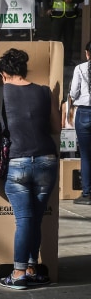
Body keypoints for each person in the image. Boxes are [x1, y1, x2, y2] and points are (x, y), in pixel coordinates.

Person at [0, 48, 60, 290]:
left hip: (17, 162)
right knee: (36, 220)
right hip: (46, 161)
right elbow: (56, 128)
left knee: (24, 220)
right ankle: (32, 268)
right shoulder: (44, 91)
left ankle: (18, 273)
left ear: (4, 73)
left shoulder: (0, 92)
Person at [43, 0, 84, 65]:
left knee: (69, 40)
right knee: (55, 39)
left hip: (70, 17)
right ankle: (54, 60)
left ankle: (67, 61)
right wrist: (47, 9)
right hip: (57, 17)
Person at [69, 41, 91, 205]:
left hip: (84, 112)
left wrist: (75, 99)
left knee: (85, 155)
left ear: (87, 53)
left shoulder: (80, 69)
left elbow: (74, 91)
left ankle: (86, 193)